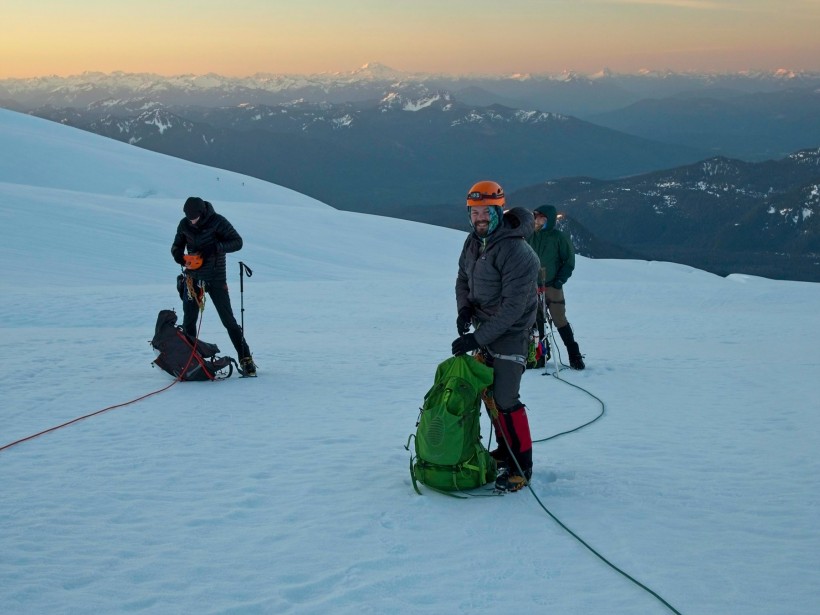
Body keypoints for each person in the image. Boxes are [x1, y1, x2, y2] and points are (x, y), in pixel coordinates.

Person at [452, 180, 540, 492]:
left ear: (498, 210)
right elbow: (463, 277)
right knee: (488, 395)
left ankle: (522, 466)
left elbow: (513, 309)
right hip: (486, 330)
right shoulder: (473, 242)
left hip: (513, 334)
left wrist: (477, 339)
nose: (479, 218)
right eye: (474, 212)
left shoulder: (517, 251)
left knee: (505, 398)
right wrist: (465, 310)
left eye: (485, 211)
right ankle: (505, 451)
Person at [171, 196, 257, 377]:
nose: (191, 220)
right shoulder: (184, 224)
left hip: (216, 278)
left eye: (194, 217)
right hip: (192, 278)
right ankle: (190, 361)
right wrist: (179, 255)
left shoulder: (218, 221)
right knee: (189, 321)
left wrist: (216, 247)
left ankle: (246, 359)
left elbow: (237, 242)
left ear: (202, 213)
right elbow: (177, 245)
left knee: (228, 321)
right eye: (188, 217)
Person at [528, 204, 585, 370]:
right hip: (532, 286)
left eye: (541, 218)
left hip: (553, 285)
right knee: (535, 322)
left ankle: (574, 355)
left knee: (559, 320)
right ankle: (539, 356)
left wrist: (560, 280)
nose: (538, 221)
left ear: (549, 219)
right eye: (536, 217)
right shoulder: (530, 236)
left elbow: (569, 261)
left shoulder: (559, 237)